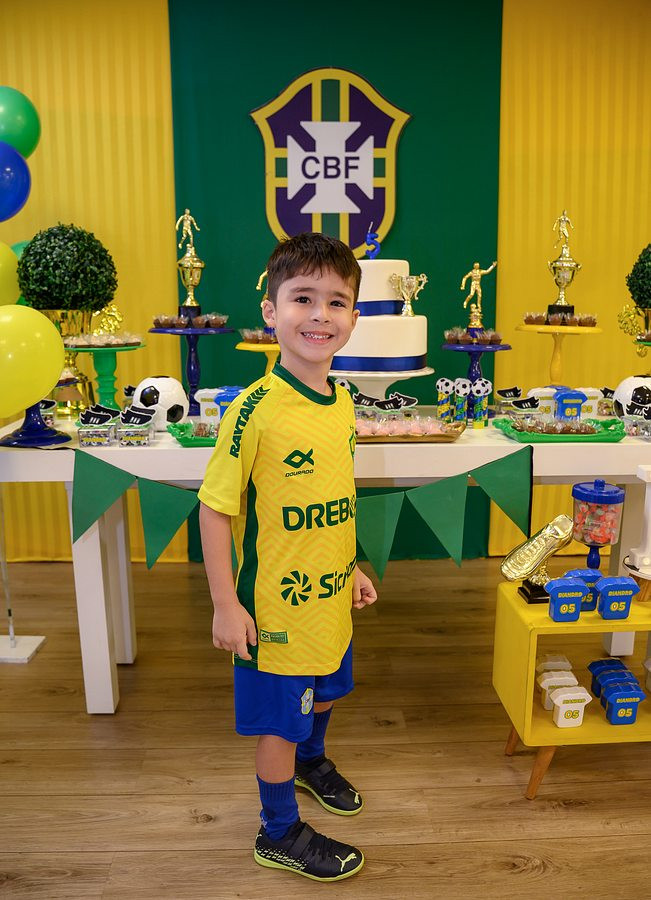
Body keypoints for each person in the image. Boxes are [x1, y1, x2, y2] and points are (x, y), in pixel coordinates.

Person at [198, 232, 378, 883]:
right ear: (270, 311)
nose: (320, 315)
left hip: (328, 597)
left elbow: (333, 498)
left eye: (337, 301)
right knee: (279, 722)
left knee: (326, 689)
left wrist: (351, 566)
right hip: (275, 609)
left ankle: (310, 762)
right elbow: (214, 509)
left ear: (353, 316)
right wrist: (225, 603)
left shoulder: (343, 401)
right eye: (303, 298)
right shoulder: (253, 411)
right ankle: (277, 830)